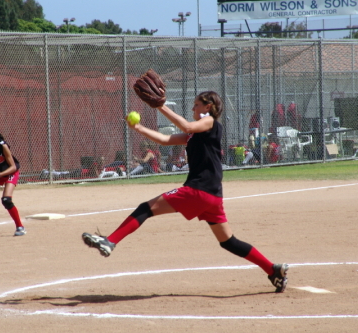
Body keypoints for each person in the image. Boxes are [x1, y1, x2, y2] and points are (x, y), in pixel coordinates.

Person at [82, 91, 288, 293]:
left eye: (197, 104)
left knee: (146, 208)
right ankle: (272, 269)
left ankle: (110, 241)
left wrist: (160, 106)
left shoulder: (210, 123)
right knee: (228, 242)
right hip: (212, 195)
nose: (193, 108)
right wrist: (138, 127)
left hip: (198, 189)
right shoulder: (195, 134)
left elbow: (187, 125)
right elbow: (164, 140)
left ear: (208, 107)